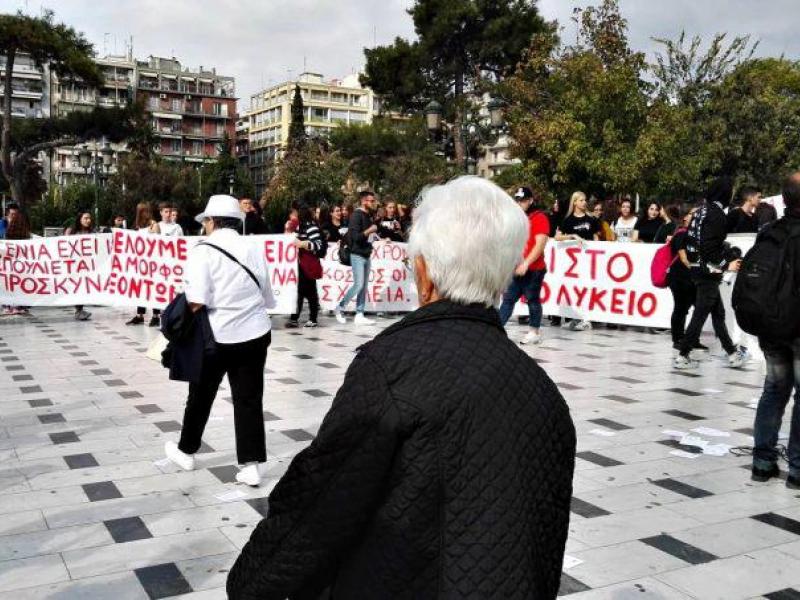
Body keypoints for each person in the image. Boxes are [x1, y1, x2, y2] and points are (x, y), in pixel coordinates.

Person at [226, 176, 575, 600]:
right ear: (503, 276)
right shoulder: (545, 395)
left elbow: (323, 503)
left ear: (424, 271)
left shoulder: (392, 367)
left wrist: (250, 582)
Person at [164, 194, 276, 487]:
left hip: (217, 336)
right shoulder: (253, 247)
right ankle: (251, 465)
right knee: (249, 399)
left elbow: (197, 300)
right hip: (255, 333)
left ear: (211, 221)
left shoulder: (203, 250)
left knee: (200, 395)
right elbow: (267, 296)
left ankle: (186, 451)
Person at [751, 173, 800, 489]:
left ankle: (762, 461)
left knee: (774, 388)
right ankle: (797, 468)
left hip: (770, 326)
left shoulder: (769, 231)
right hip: (797, 327)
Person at [674, 177, 749, 369]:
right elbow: (709, 247)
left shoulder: (701, 211)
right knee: (700, 314)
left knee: (718, 313)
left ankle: (732, 353)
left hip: (698, 269)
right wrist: (726, 264)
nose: (733, 194)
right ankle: (683, 354)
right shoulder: (716, 215)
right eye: (731, 191)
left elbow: (693, 241)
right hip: (708, 272)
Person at [499, 187, 550, 345]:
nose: (519, 203)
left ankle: (534, 332)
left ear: (530, 200)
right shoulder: (516, 218)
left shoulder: (539, 217)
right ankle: (496, 329)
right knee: (508, 299)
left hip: (534, 269)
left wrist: (526, 263)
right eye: (517, 200)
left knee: (532, 299)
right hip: (515, 267)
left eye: (522, 200)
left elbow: (540, 245)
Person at [555, 191, 597, 331]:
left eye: (585, 200)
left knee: (588, 288)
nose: (584, 202)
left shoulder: (591, 220)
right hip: (573, 264)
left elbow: (597, 239)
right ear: (574, 202)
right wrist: (573, 236)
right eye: (581, 200)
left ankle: (587, 319)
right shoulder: (568, 220)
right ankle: (575, 317)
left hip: (590, 261)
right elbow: (557, 237)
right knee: (575, 290)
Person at [334, 190, 377, 326]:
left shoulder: (368, 215)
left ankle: (359, 313)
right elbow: (355, 237)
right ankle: (340, 308)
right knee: (358, 285)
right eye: (371, 201)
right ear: (364, 201)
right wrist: (369, 231)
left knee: (363, 286)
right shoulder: (356, 216)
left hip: (366, 254)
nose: (373, 203)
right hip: (357, 254)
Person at [667, 206, 706, 351]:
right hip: (679, 278)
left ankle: (692, 338)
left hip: (692, 279)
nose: (696, 216)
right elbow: (683, 259)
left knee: (699, 309)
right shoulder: (681, 234)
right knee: (681, 309)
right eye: (692, 214)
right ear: (685, 217)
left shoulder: (696, 236)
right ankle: (677, 339)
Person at [287, 203, 324, 328]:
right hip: (301, 264)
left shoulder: (311, 227)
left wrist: (303, 244)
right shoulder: (300, 227)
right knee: (301, 292)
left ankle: (305, 318)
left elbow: (318, 245)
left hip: (308, 264)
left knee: (308, 293)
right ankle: (300, 318)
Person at [126, 202, 162, 327]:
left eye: (146, 211)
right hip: (140, 263)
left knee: (152, 288)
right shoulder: (137, 226)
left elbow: (158, 243)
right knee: (140, 289)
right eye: (142, 211)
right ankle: (140, 315)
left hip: (152, 263)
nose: (144, 213)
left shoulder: (154, 224)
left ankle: (156, 315)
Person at [64, 211, 96, 321]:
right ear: (80, 219)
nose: (88, 220)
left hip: (86, 265)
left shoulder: (92, 233)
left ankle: (80, 309)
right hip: (74, 265)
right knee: (77, 287)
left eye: (89, 218)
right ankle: (78, 310)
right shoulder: (71, 231)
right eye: (86, 218)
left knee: (82, 287)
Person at [2, 208, 31, 316]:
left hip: (11, 263)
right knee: (15, 283)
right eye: (12, 214)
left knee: (10, 283)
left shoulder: (11, 230)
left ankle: (9, 305)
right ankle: (14, 305)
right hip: (16, 263)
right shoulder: (4, 225)